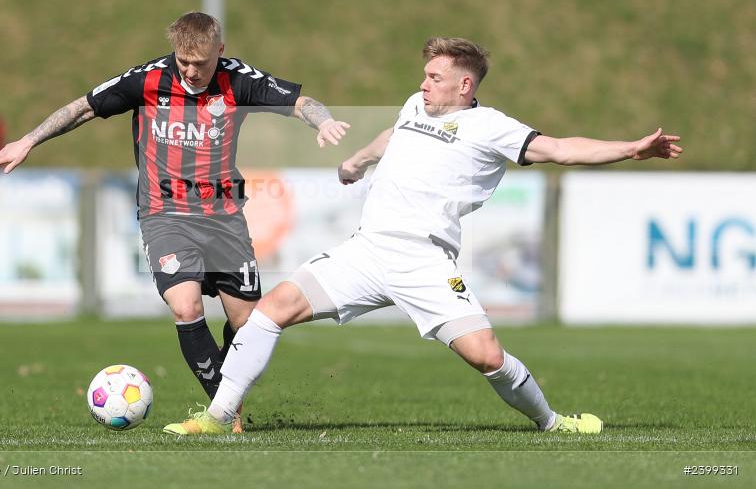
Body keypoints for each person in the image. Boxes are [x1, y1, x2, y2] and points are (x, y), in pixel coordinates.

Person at [163, 36, 683, 435]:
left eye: (435, 77)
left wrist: (633, 149)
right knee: (272, 308)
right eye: (425, 74)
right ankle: (218, 417)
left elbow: (563, 148)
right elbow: (394, 135)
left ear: (465, 85)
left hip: (425, 262)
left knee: (487, 357)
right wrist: (358, 162)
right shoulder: (416, 106)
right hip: (367, 251)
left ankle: (553, 423)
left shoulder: (492, 127)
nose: (424, 83)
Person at [0, 12, 349, 433]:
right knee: (186, 305)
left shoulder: (238, 79)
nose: (192, 72)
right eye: (184, 62)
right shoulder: (148, 79)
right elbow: (83, 108)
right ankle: (226, 412)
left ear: (221, 52)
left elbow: (300, 102)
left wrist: (323, 120)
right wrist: (28, 140)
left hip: (224, 218)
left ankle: (228, 401)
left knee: (249, 324)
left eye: (202, 63)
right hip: (164, 215)